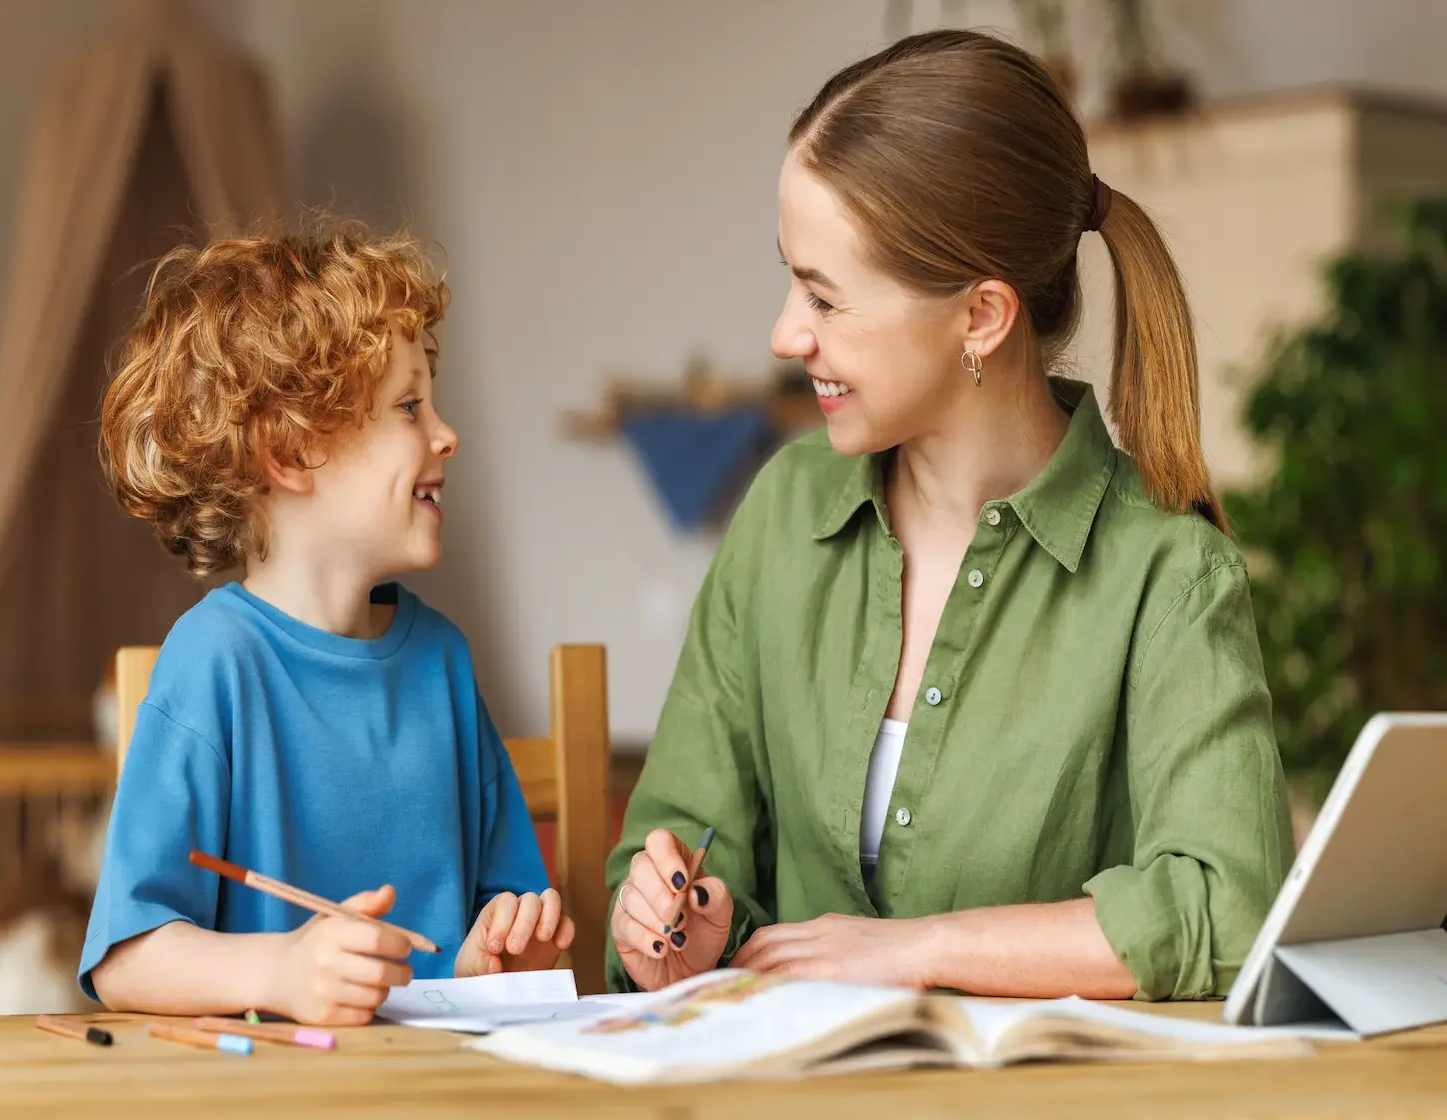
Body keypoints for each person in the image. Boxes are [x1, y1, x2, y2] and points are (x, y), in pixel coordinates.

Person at [606, 30, 1292, 1002]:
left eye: (824, 297)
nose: (784, 332)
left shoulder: (1167, 574)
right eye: (790, 277)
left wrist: (919, 950)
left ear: (980, 317)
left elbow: (1227, 906)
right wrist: (674, 931)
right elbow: (668, 844)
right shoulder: (782, 515)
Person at [81, 223, 573, 1024]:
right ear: (291, 453)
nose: (447, 433)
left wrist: (501, 955)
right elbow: (127, 958)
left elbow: (503, 915)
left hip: (438, 1110)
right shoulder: (214, 663)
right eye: (409, 406)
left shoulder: (443, 661)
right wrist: (279, 970)